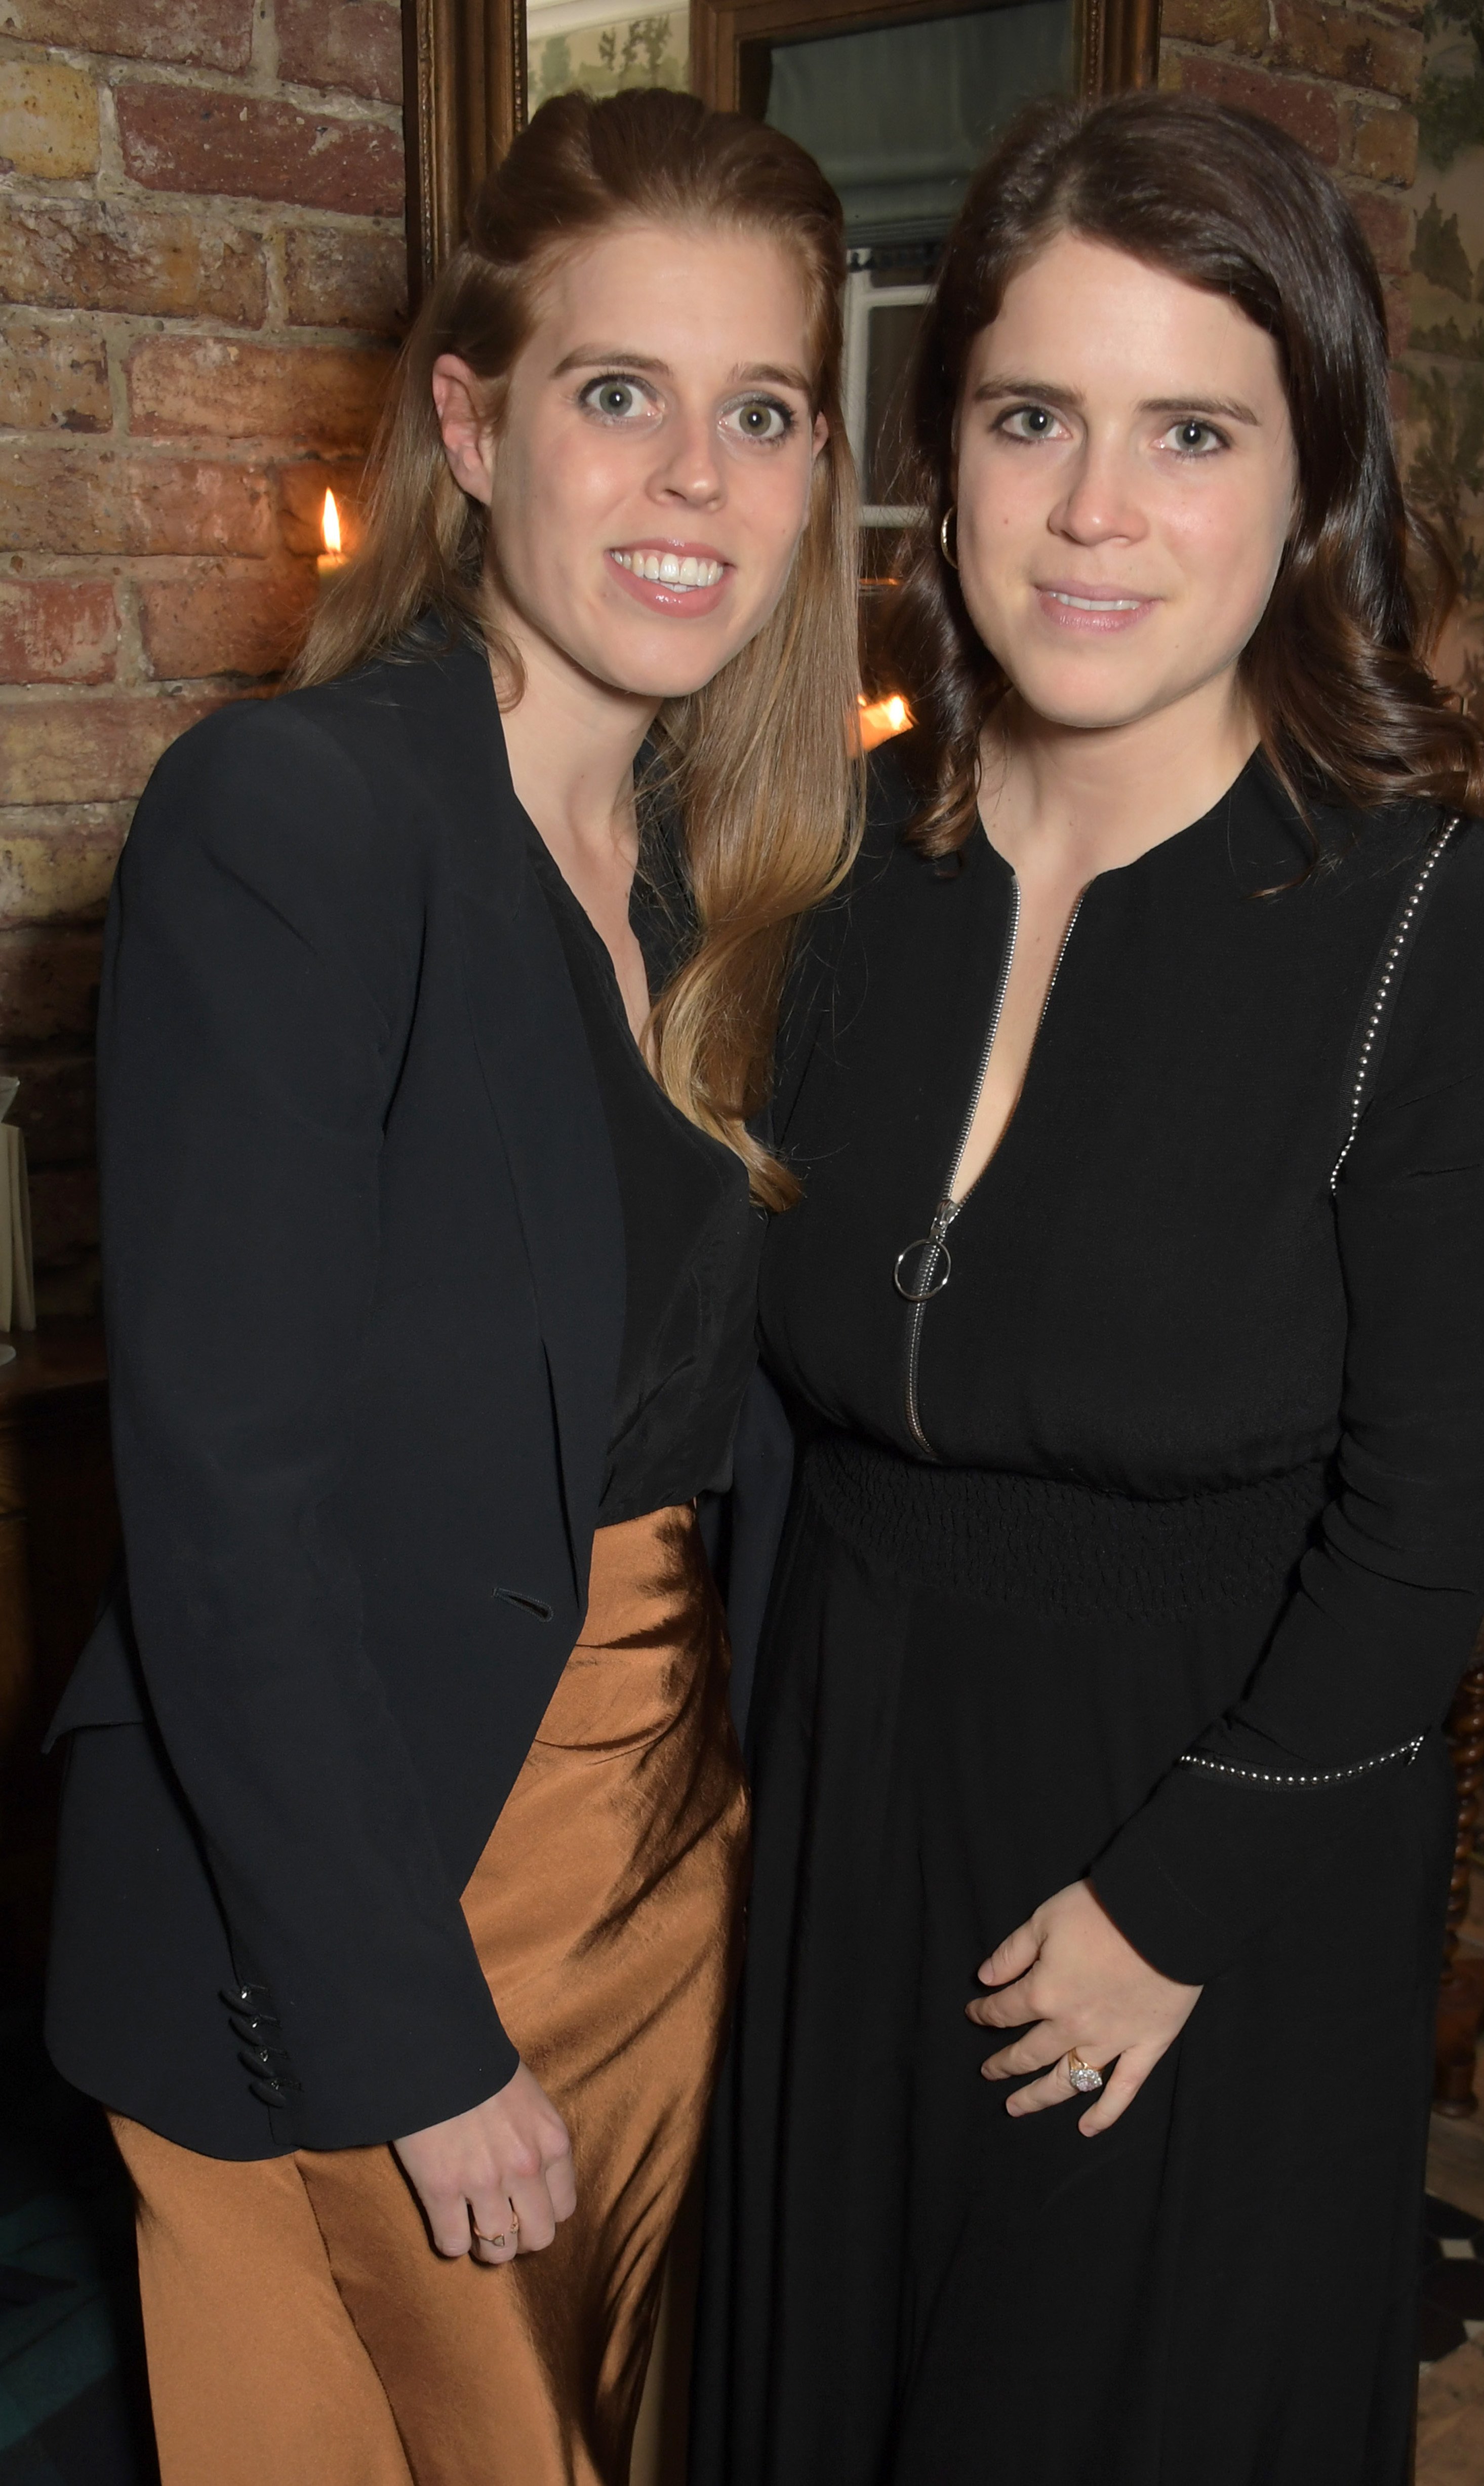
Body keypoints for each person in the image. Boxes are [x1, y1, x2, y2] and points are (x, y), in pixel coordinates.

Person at [693, 91, 1484, 2484]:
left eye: (1185, 430)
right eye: (1030, 419)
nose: (1093, 510)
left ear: (1305, 483)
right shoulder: (839, 869)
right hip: (855, 1805)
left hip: (1203, 1850)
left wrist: (1172, 1900)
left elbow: (1438, 1507)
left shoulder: (1421, 925)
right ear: (942, 460)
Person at [43, 87, 858, 2486]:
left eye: (763, 412)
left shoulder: (747, 866)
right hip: (361, 1904)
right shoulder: (295, 822)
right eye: (621, 396)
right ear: (472, 428)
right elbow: (225, 1510)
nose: (693, 481)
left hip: (655, 1866)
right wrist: (411, 2038)